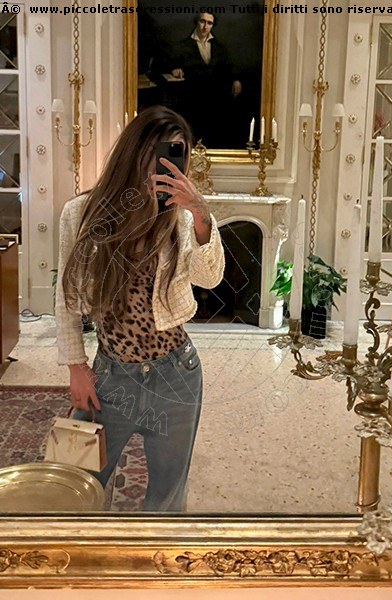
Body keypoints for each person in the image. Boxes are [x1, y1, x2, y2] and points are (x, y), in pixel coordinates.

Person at [55, 105, 225, 511]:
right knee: (74, 486)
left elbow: (210, 278)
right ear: (134, 151)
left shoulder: (182, 218)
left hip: (176, 375)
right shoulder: (81, 214)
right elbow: (66, 296)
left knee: (167, 497)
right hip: (110, 376)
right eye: (156, 151)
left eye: (175, 155)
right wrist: (76, 366)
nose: (162, 165)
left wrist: (201, 213)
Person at [170, 12, 242, 147]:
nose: (205, 26)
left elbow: (229, 66)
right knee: (192, 133)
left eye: (209, 23)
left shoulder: (219, 46)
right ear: (196, 22)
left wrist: (236, 80)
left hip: (215, 97)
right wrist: (175, 69)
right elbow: (169, 64)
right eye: (202, 21)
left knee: (216, 132)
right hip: (192, 97)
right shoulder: (183, 45)